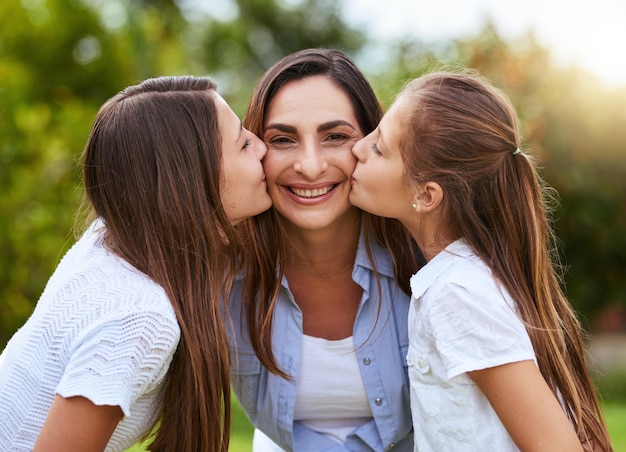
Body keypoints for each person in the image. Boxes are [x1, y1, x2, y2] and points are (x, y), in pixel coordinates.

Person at [0, 76, 272, 452]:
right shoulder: (140, 319)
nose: (262, 147)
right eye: (243, 143)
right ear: (192, 180)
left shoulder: (112, 240)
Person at [350, 69, 613, 451]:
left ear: (426, 196)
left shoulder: (458, 292)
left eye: (378, 147)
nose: (358, 148)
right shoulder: (458, 280)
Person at [227, 48, 422, 451]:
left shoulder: (427, 258)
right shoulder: (224, 274)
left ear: (372, 143)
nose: (310, 166)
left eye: (335, 136)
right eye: (283, 139)